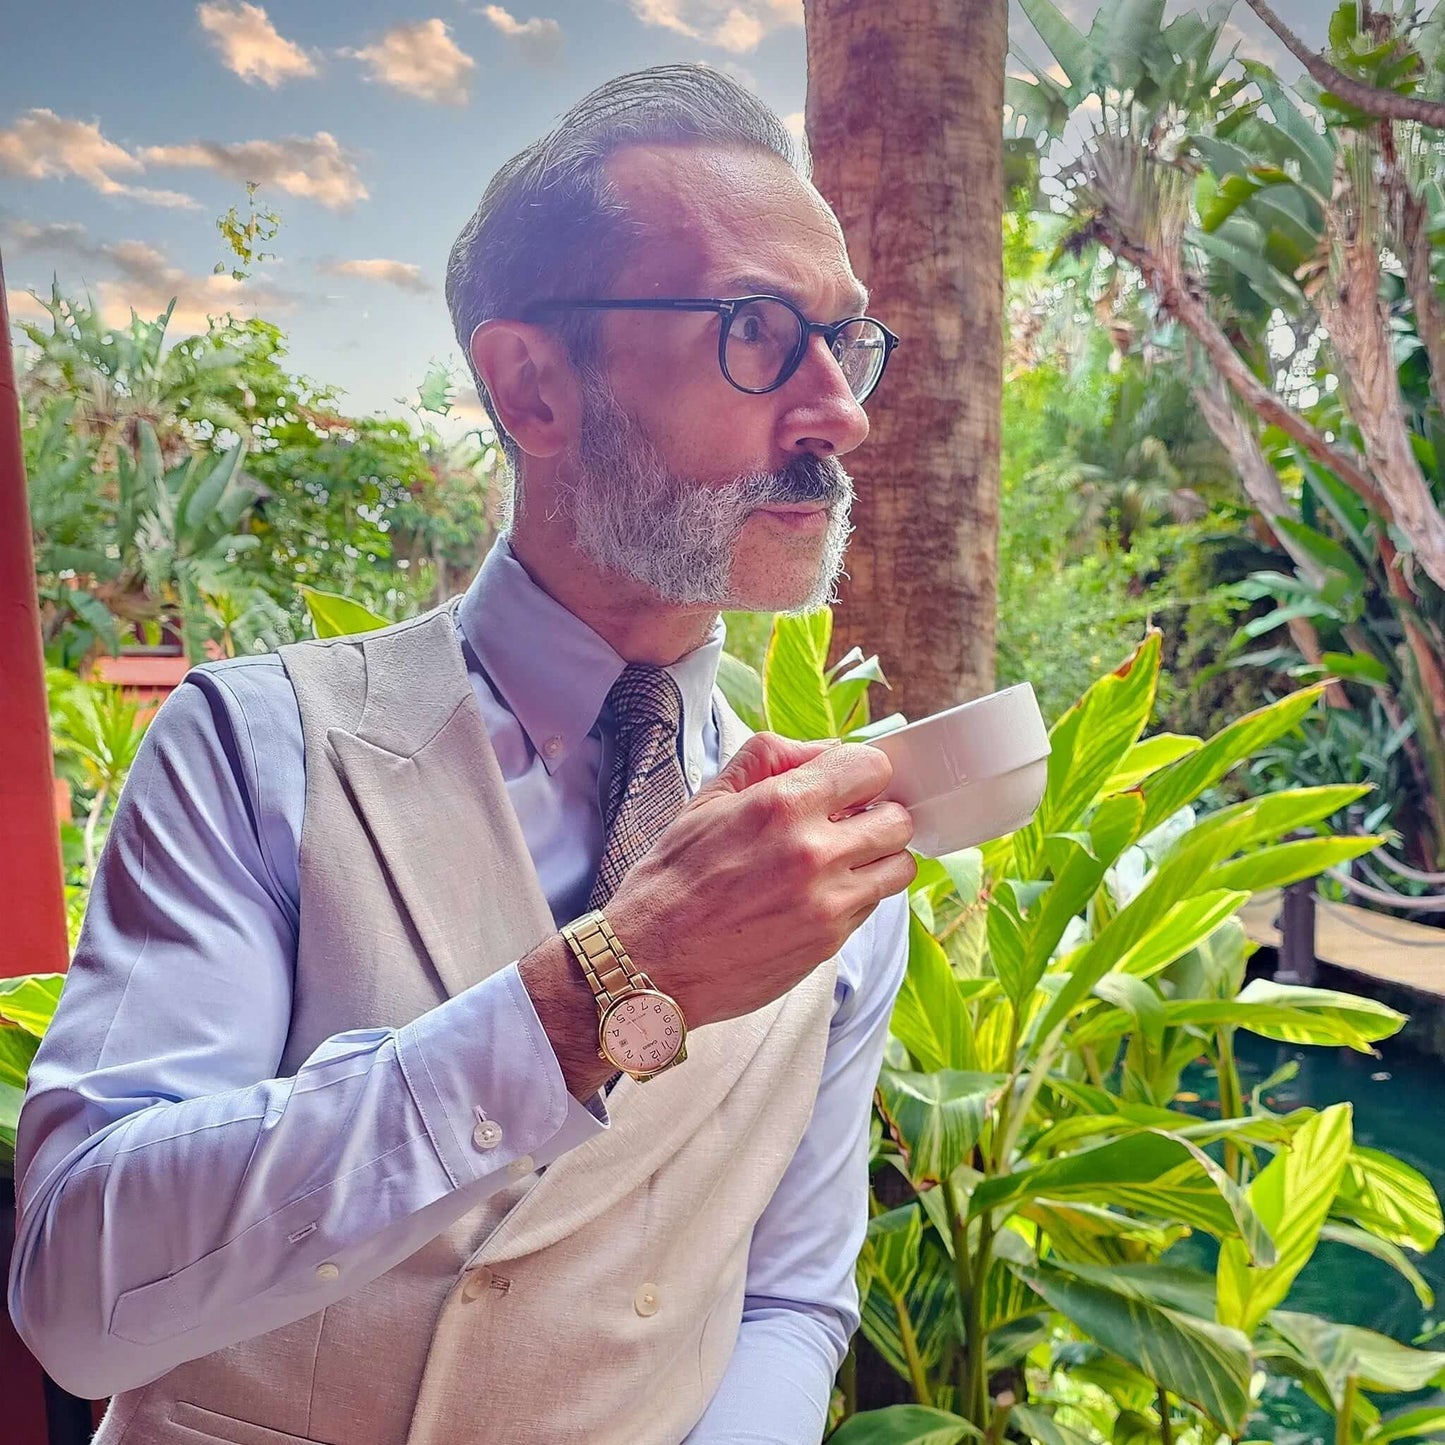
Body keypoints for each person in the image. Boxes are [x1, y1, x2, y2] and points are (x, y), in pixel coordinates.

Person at [10, 64, 918, 1445]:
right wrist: (598, 992)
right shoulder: (255, 749)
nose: (837, 411)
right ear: (532, 387)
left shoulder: (827, 850)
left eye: (843, 341)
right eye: (755, 331)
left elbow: (789, 1294)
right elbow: (77, 1294)